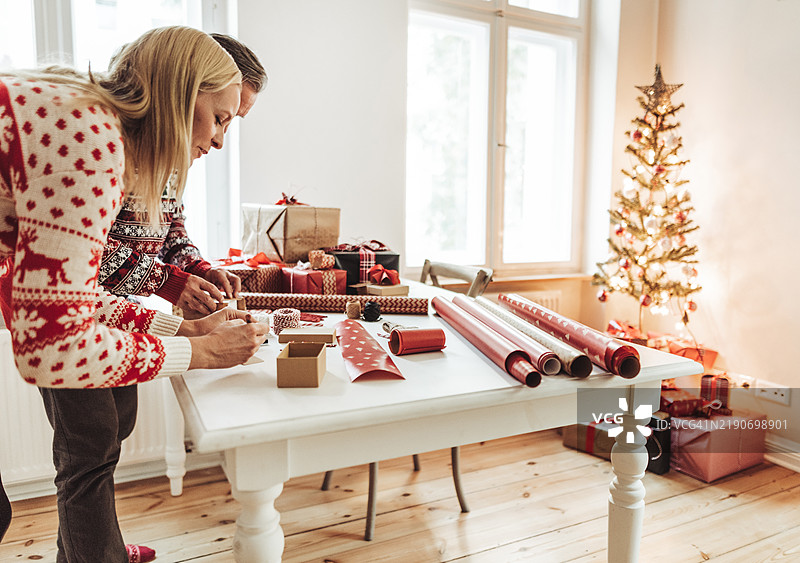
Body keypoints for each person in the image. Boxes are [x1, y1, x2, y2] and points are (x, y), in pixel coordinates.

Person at [0, 26, 269, 562]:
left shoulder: (93, 125)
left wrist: (179, 328)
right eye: (219, 118)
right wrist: (198, 352)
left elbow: (61, 304)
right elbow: (54, 348)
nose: (219, 140)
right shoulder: (91, 138)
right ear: (179, 93)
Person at [100, 33, 267, 317]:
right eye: (219, 118)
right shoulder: (104, 145)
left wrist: (198, 268)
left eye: (229, 122)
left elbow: (168, 231)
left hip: (116, 310)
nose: (219, 141)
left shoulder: (171, 159)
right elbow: (90, 251)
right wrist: (168, 282)